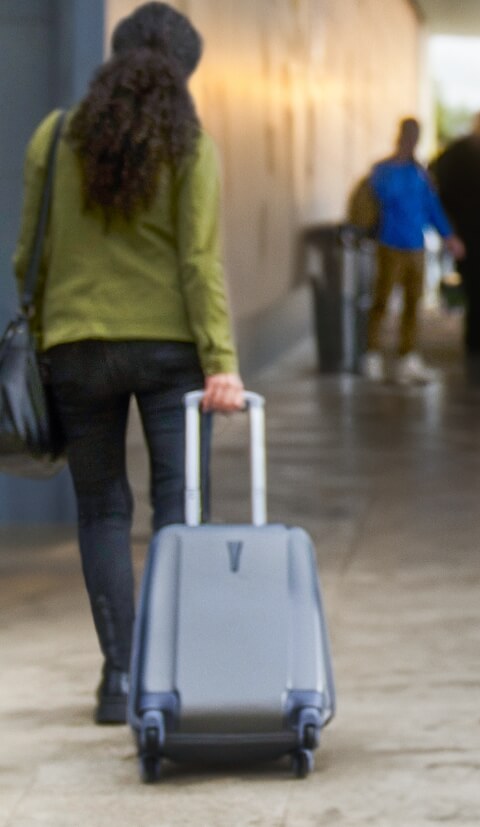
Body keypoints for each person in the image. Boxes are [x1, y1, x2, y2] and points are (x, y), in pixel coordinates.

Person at [10, 3, 244, 724]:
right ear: (183, 72)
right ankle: (169, 672)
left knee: (102, 510)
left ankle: (118, 677)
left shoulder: (54, 138)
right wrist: (222, 362)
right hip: (172, 352)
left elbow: (29, 256)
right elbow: (198, 264)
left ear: (112, 61)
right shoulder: (191, 146)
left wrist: (51, 337)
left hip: (76, 351)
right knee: (180, 506)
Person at [363, 118, 465, 384]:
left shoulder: (420, 174)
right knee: (382, 300)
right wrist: (400, 163)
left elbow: (432, 207)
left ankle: (406, 356)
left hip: (415, 246)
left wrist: (449, 236)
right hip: (389, 243)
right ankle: (372, 353)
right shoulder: (384, 170)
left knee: (413, 303)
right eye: (408, 136)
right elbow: (383, 195)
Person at [430, 111, 480, 354]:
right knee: (477, 289)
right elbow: (435, 180)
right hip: (471, 234)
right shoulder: (461, 152)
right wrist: (450, 227)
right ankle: (477, 342)